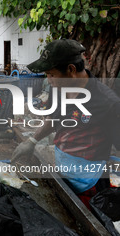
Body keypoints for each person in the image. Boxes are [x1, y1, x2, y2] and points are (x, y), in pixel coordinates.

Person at [11, 39, 120, 208]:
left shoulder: (106, 102)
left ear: (71, 69)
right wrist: (32, 141)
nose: (49, 80)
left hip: (89, 184)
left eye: (52, 74)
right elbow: (54, 118)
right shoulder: (58, 89)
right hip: (63, 173)